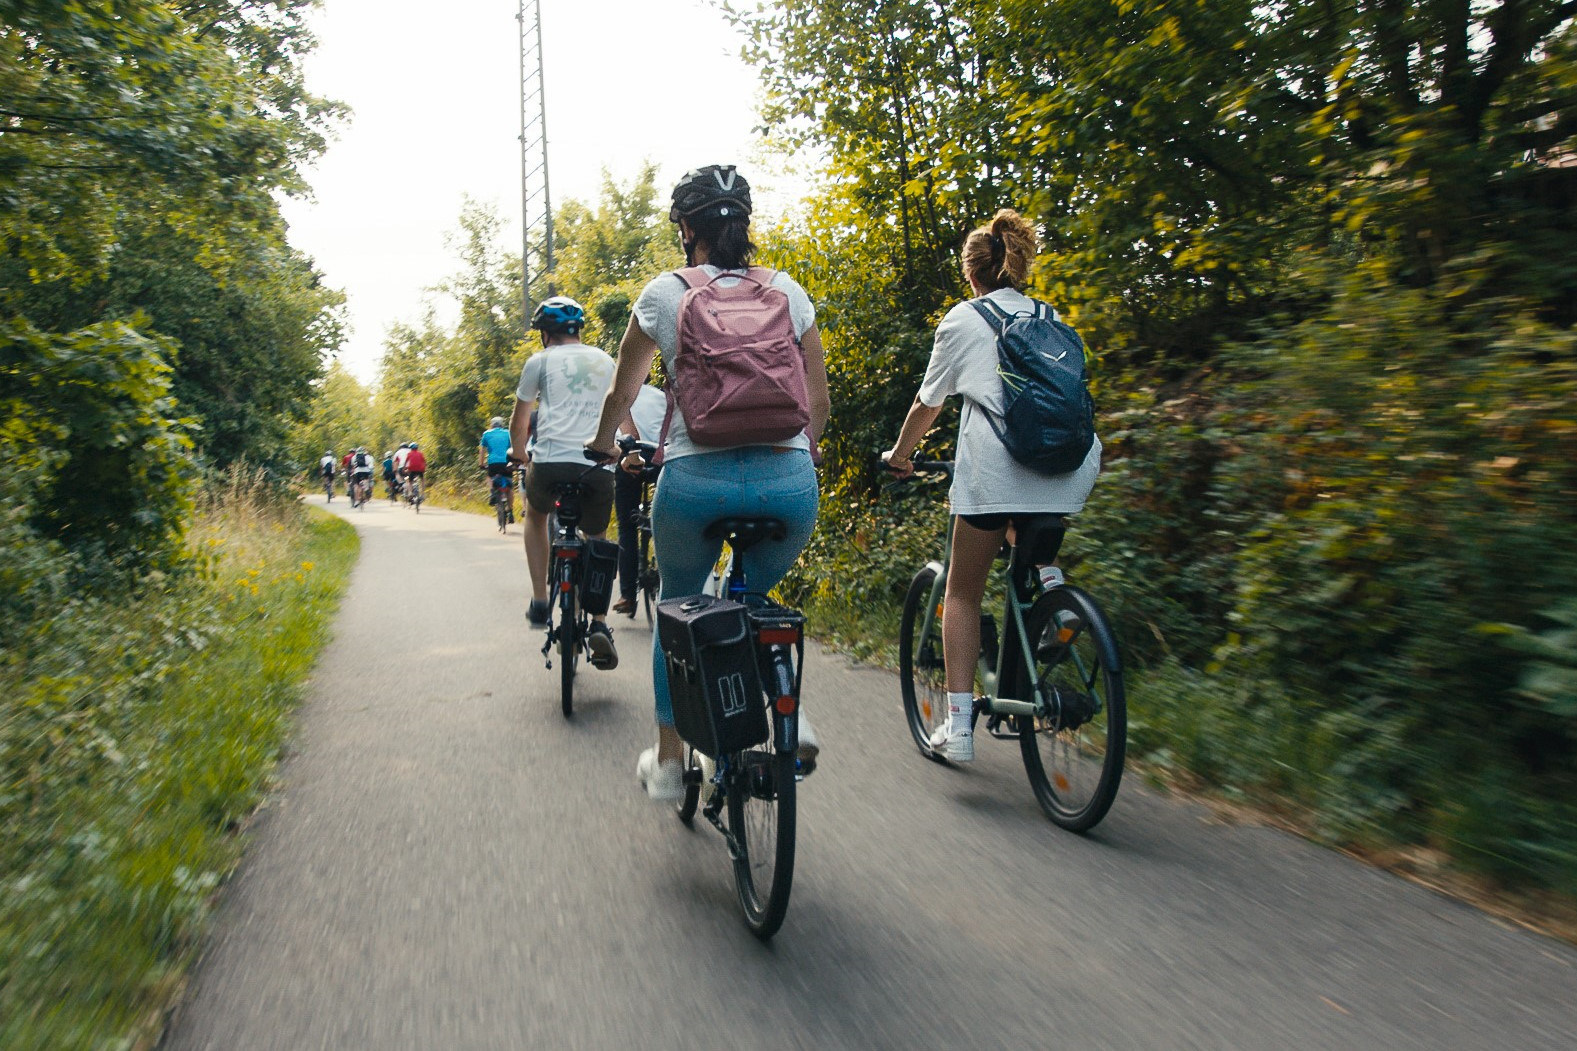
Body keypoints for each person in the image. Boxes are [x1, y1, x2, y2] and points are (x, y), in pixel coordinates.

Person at [586, 164, 831, 801]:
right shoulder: (789, 290)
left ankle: (669, 762)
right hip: (789, 483)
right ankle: (787, 711)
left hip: (695, 483)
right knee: (748, 597)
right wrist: (806, 457)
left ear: (685, 228)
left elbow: (626, 388)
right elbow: (818, 400)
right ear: (745, 225)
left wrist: (605, 441)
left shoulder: (663, 293)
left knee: (679, 605)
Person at [882, 208, 1102, 762]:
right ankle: (1056, 597)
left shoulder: (963, 320)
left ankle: (958, 732)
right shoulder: (1051, 317)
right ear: (1016, 266)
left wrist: (900, 456)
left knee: (961, 590)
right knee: (1027, 529)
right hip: (1071, 471)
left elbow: (927, 403)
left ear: (970, 273)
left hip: (996, 472)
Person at [509, 295, 620, 670]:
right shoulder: (606, 361)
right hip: (597, 464)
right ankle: (600, 621)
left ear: (544, 333)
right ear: (579, 331)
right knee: (598, 538)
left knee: (535, 516)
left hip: (551, 462)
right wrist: (626, 452)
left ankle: (541, 601)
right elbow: (621, 411)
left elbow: (520, 421)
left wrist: (519, 453)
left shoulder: (538, 362)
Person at [610, 383, 666, 616]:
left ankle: (627, 596)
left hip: (628, 463)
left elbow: (612, 441)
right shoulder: (661, 397)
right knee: (665, 522)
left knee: (627, 526)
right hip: (658, 462)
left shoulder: (616, 399)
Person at [478, 415, 516, 525]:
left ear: (491, 425)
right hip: (506, 462)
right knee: (509, 486)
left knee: (489, 476)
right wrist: (515, 463)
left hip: (493, 463)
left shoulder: (486, 434)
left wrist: (481, 464)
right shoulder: (507, 433)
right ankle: (511, 511)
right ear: (502, 425)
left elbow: (482, 451)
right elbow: (512, 448)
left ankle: (492, 493)